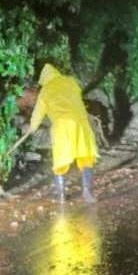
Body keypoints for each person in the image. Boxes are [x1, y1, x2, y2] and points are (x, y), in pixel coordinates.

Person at [28, 64, 98, 203]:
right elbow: (76, 94)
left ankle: (61, 196)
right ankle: (87, 192)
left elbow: (38, 113)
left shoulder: (45, 91)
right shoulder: (70, 81)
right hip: (80, 123)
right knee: (85, 156)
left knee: (61, 160)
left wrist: (32, 127)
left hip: (62, 127)